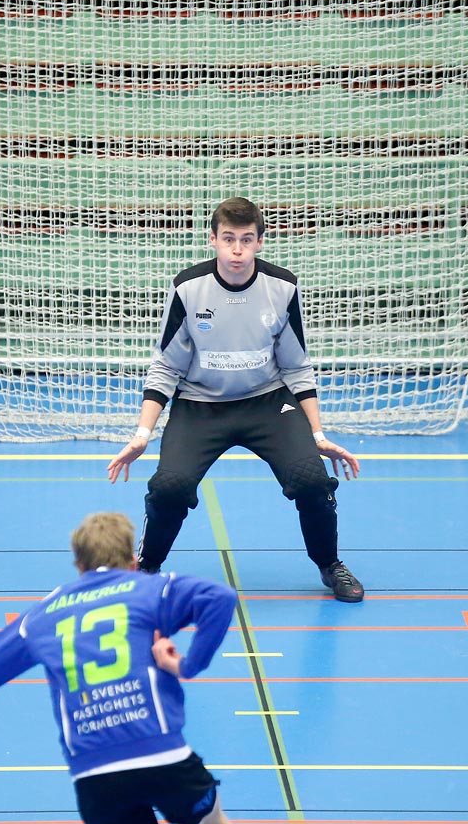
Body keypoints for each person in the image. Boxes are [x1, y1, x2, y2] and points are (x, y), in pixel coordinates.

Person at [107, 196, 365, 603]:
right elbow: (165, 368)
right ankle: (148, 566)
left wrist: (316, 432)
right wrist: (142, 433)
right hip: (198, 406)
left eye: (247, 239)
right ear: (213, 240)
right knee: (170, 487)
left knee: (312, 480)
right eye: (229, 239)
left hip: (268, 403)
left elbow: (297, 366)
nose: (237, 249)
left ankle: (330, 564)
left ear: (261, 242)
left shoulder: (282, 287)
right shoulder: (188, 289)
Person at [0, 511, 248, 824]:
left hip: (96, 776)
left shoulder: (44, 614)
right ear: (133, 561)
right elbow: (220, 597)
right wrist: (187, 665)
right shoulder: (151, 589)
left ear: (79, 566)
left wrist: (30, 629)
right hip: (166, 761)